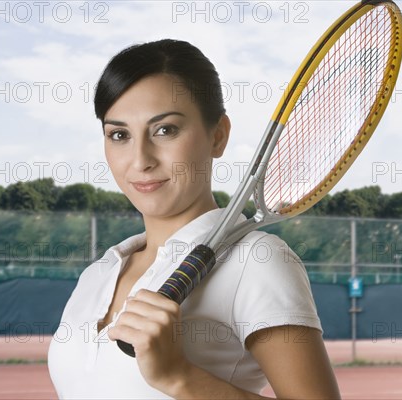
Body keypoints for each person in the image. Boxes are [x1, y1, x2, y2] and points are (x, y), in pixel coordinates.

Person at [48, 39, 340, 399]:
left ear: (217, 136)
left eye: (165, 130)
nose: (140, 160)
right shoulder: (97, 275)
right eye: (119, 135)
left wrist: (179, 377)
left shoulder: (259, 261)